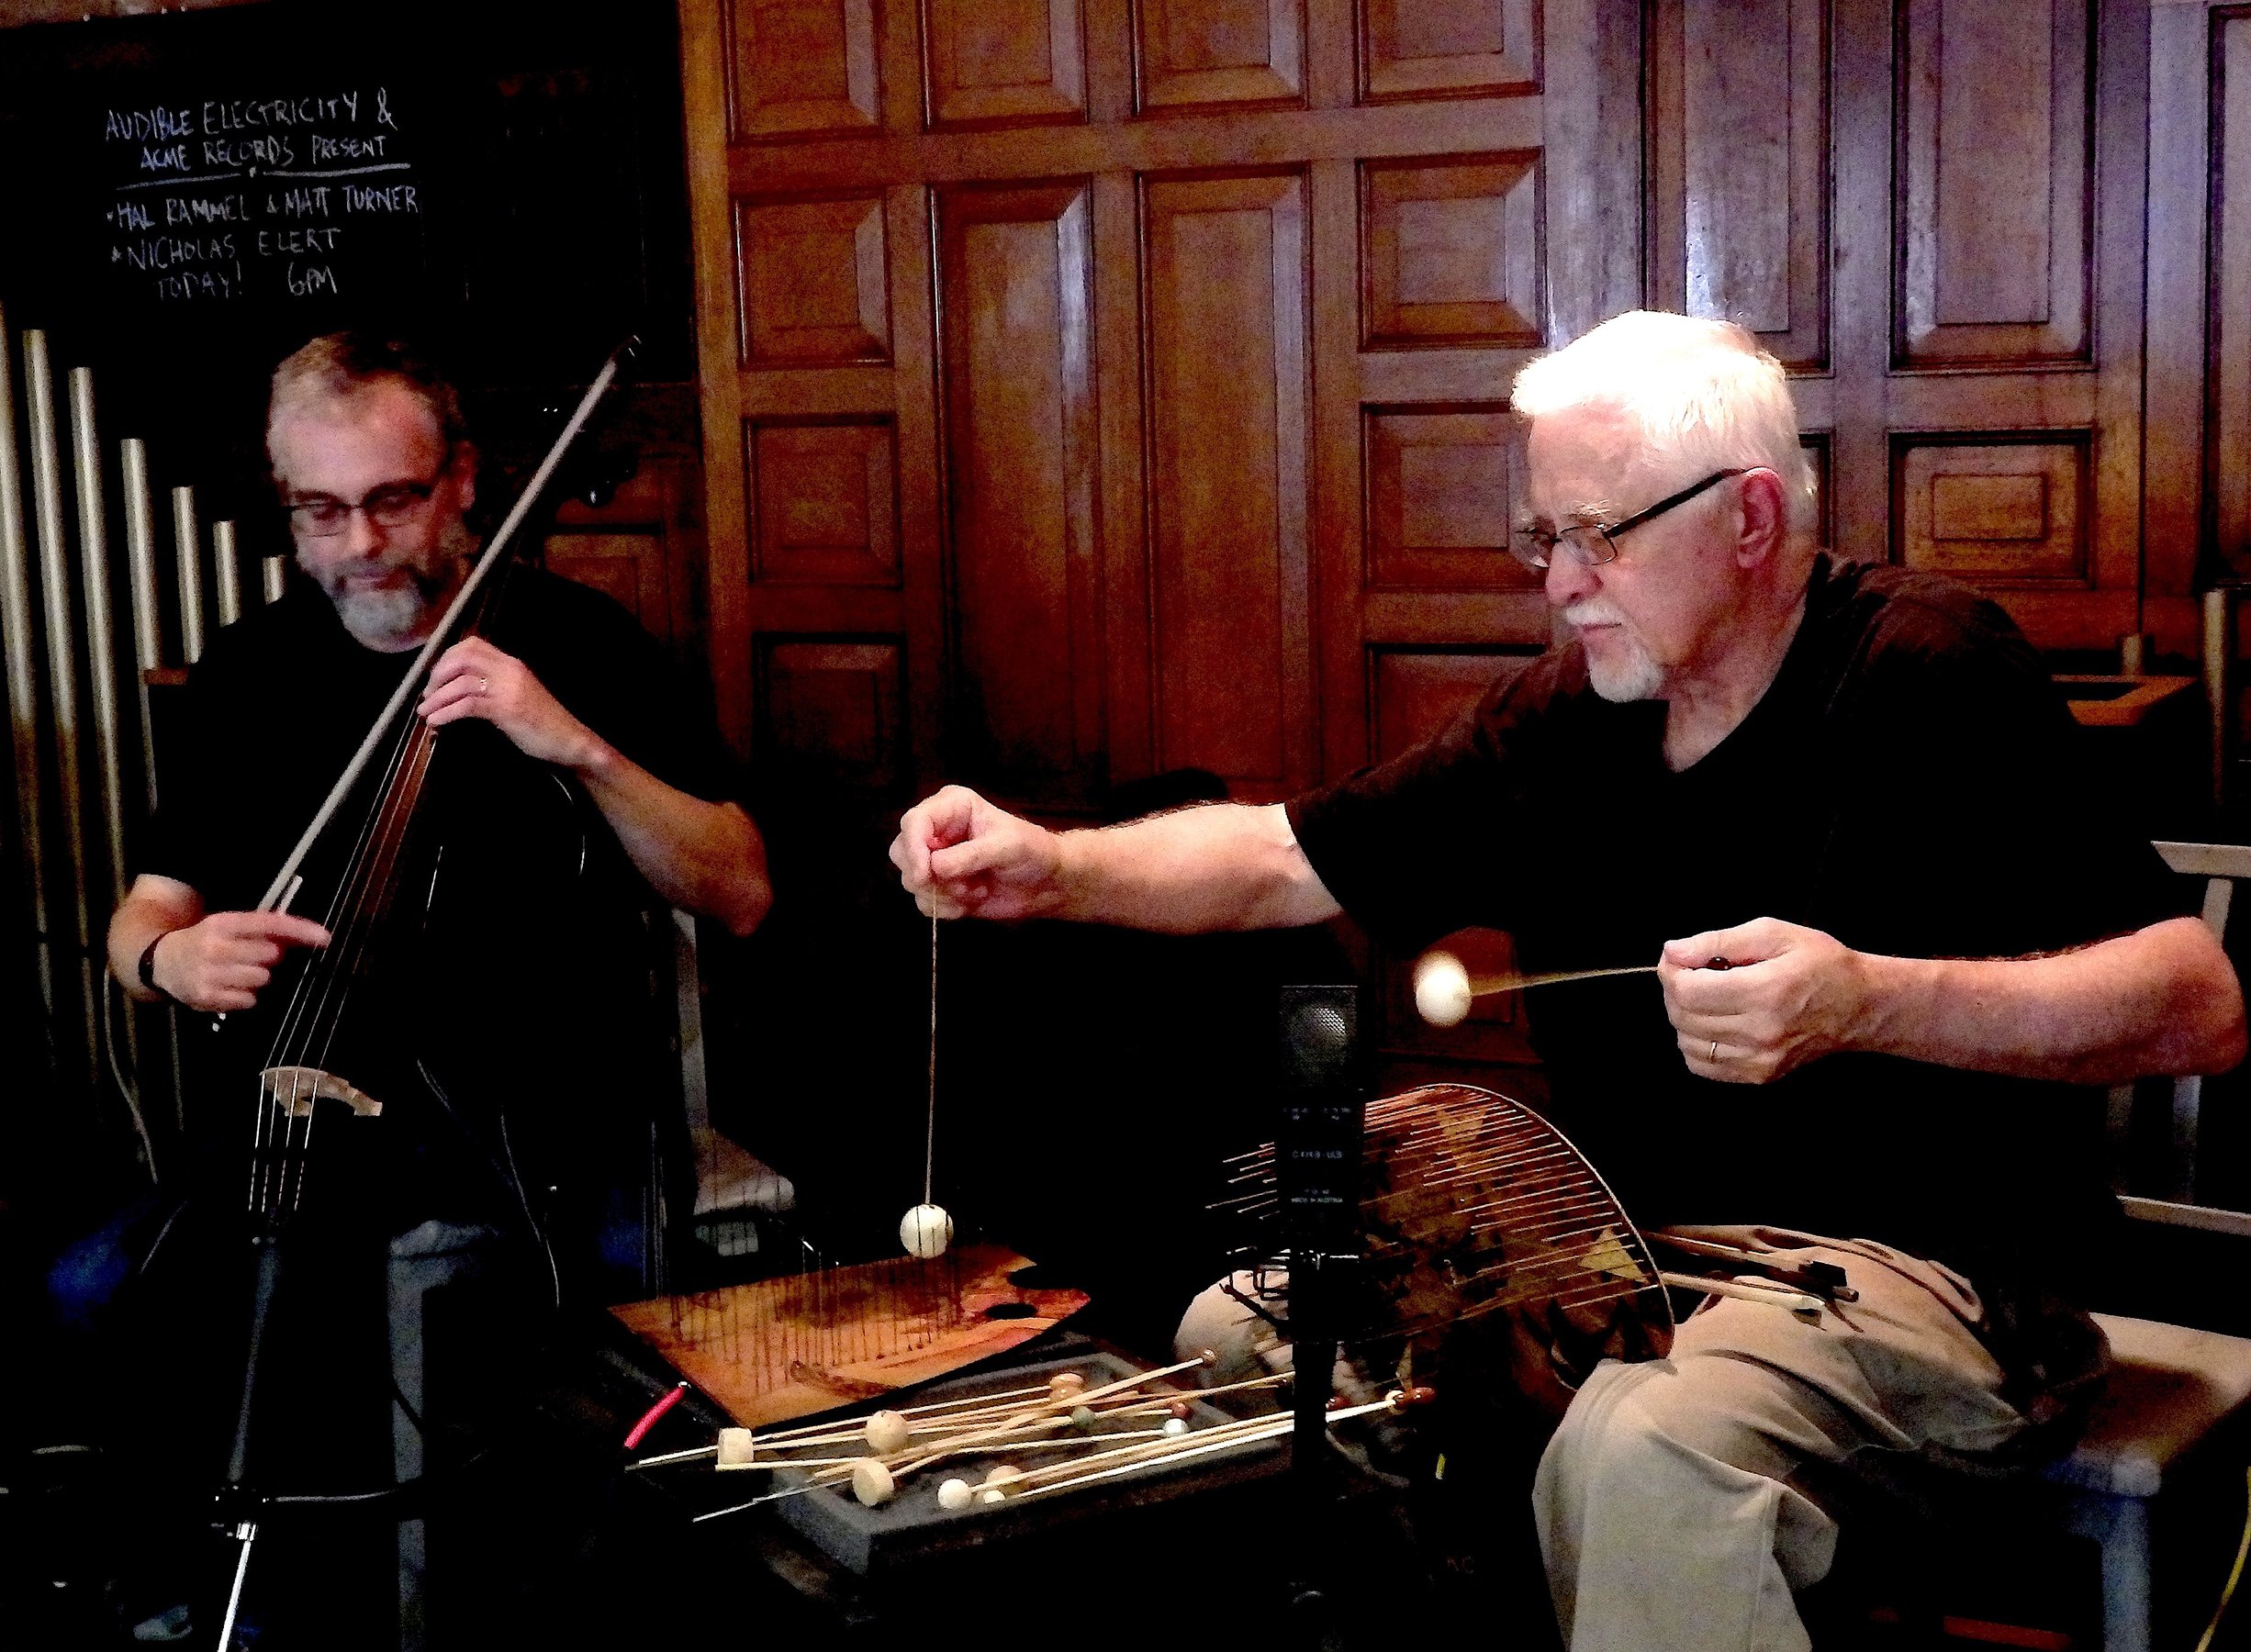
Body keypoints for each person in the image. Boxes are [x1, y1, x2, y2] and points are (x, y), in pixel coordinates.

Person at [890, 311, 2246, 1651]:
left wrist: (1867, 999)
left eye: (1597, 534)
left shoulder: (1924, 671)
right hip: (1635, 1261)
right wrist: (1053, 868)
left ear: (1751, 518)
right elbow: (1278, 860)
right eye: (1546, 538)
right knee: (1247, 1331)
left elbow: (2199, 1003)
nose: (1560, 581)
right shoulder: (1565, 720)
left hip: (1939, 1283)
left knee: (1644, 1445)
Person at [94, 332, 771, 1645]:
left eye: (393, 501)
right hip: (282, 1129)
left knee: (465, 1328)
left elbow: (739, 886)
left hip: (533, 1140)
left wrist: (569, 741)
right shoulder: (249, 673)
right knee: (123, 1300)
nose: (361, 546)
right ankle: (230, 1591)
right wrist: (167, 960)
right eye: (321, 511)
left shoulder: (577, 643)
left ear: (461, 482)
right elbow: (147, 909)